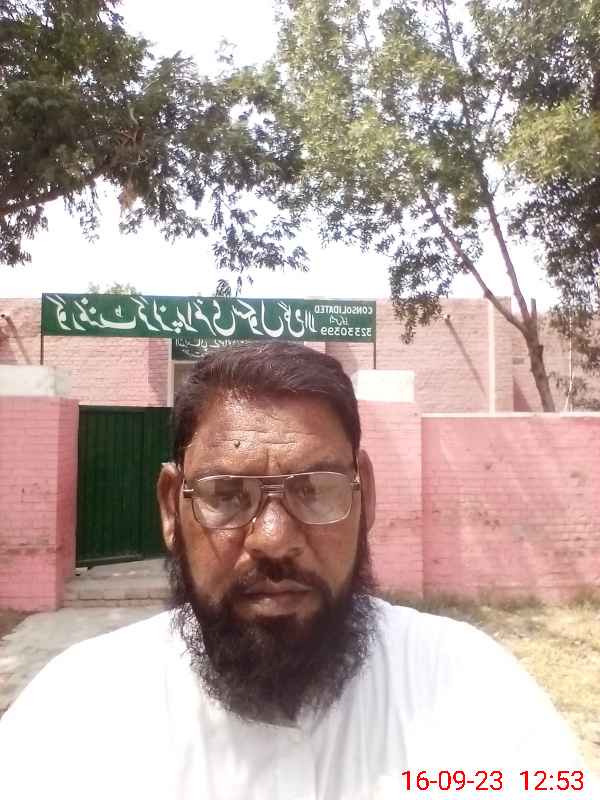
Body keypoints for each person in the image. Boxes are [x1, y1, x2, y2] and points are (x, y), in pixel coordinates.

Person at [0, 342, 595, 799]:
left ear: (366, 497)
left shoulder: (473, 690)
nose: (274, 540)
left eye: (315, 489)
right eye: (226, 494)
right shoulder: (73, 717)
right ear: (170, 508)